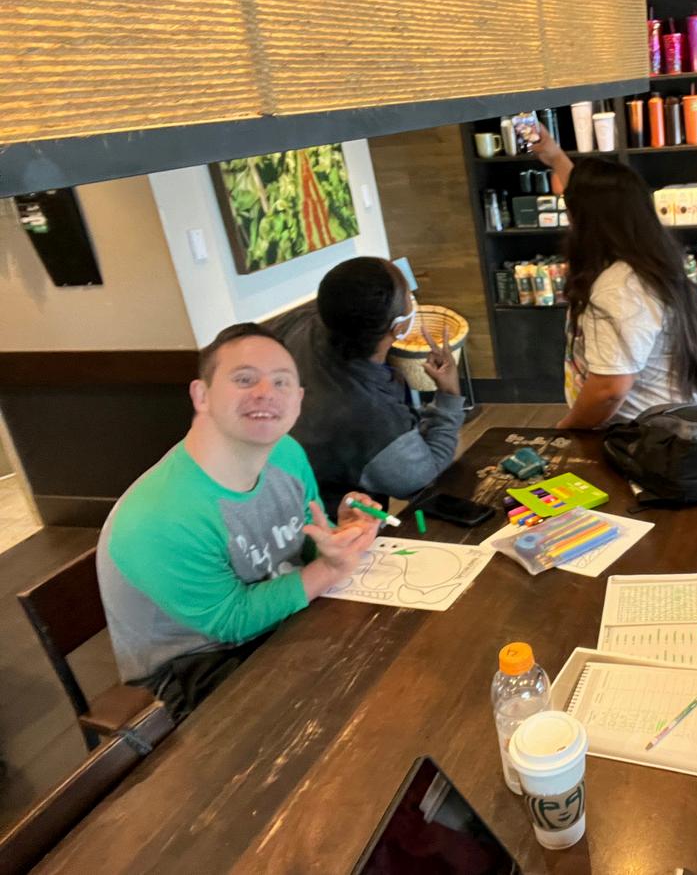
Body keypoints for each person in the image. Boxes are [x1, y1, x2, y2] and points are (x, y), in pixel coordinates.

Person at [97, 323, 381, 719]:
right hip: (192, 671)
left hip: (279, 624)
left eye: (281, 382)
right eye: (244, 379)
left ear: (298, 400)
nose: (265, 393)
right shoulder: (158, 516)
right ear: (202, 395)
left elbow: (305, 542)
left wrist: (340, 532)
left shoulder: (285, 453)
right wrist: (330, 568)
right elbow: (230, 621)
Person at [530, 126, 697, 427]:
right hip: (673, 428)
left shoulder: (619, 287)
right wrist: (556, 157)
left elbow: (609, 390)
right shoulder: (648, 262)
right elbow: (595, 200)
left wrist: (564, 430)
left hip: (648, 439)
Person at [270, 256, 464, 517]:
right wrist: (449, 395)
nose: (412, 298)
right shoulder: (370, 416)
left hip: (275, 495)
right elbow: (419, 477)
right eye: (407, 294)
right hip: (333, 523)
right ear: (399, 326)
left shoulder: (301, 322)